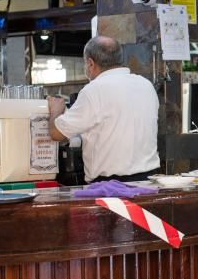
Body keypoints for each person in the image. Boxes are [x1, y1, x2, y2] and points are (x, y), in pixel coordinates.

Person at [47, 36, 160, 183]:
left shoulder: (94, 90)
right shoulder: (146, 85)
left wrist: (56, 110)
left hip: (112, 188)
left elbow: (56, 134)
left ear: (90, 63)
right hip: (149, 183)